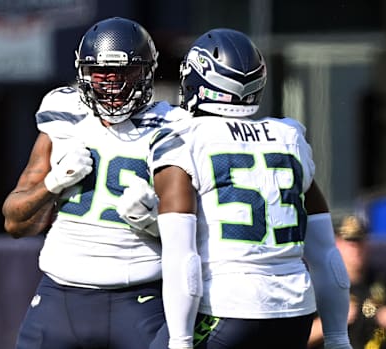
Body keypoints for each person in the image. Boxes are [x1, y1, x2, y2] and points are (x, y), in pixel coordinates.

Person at [131, 28, 352, 349]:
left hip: (228, 308)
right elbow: (325, 252)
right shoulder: (288, 137)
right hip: (294, 315)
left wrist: (179, 340)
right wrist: (337, 338)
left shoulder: (184, 137)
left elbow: (183, 258)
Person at [1, 17, 189, 349]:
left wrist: (151, 220)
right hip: (59, 296)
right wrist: (53, 183)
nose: (113, 85)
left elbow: (195, 233)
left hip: (138, 297)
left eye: (124, 73)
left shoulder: (172, 126)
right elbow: (15, 222)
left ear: (146, 72)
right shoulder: (62, 113)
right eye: (102, 74)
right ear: (83, 73)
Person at [308, 215, 386, 349]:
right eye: (350, 244)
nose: (356, 250)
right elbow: (297, 339)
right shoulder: (318, 285)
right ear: (337, 244)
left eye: (360, 243)